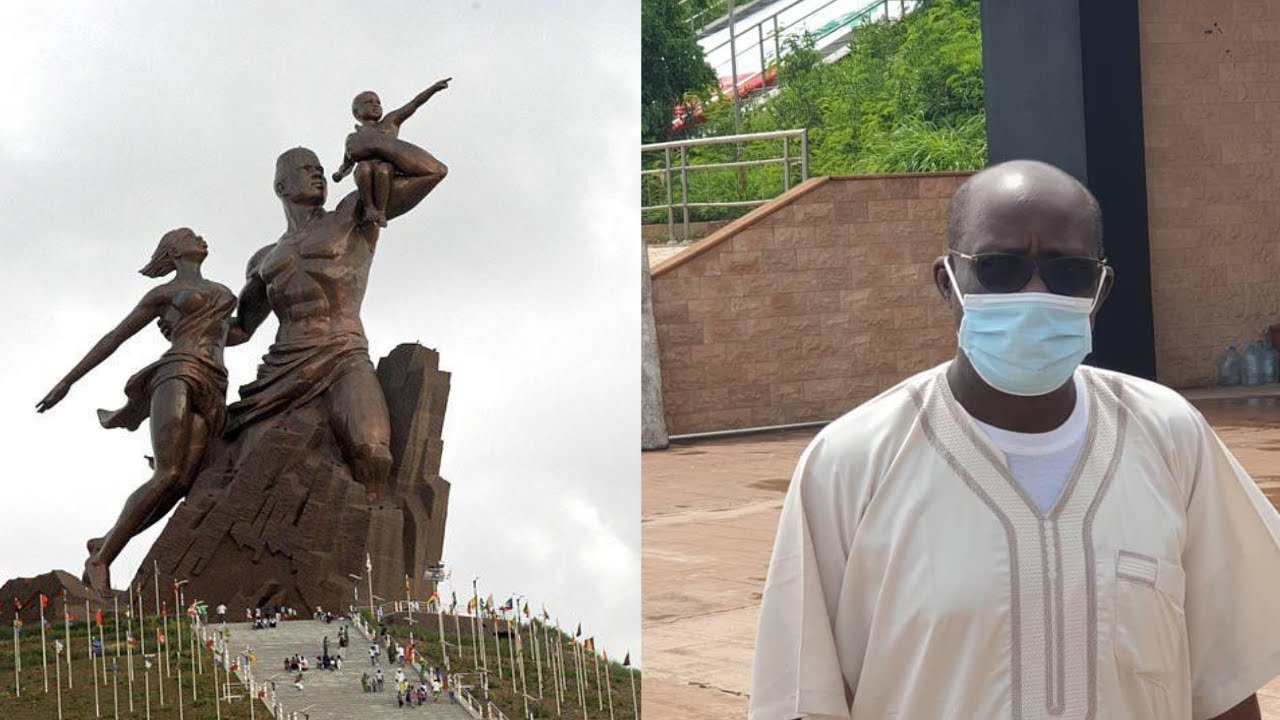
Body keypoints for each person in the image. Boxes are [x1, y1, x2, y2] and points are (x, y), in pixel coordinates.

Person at [748, 160, 1280, 720]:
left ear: (1100, 290)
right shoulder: (850, 463)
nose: (1034, 291)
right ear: (947, 283)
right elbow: (805, 700)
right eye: (999, 267)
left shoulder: (1170, 436)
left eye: (1067, 271)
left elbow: (1223, 684)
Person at [225, 114, 448, 500]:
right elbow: (241, 329)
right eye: (306, 169)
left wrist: (378, 145)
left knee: (373, 453)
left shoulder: (354, 213)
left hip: (343, 353)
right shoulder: (264, 259)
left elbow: (432, 172)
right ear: (281, 185)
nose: (318, 175)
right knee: (247, 470)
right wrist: (190, 324)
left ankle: (368, 552)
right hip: (283, 366)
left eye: (321, 169)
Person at [36, 229, 236, 595]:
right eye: (191, 236)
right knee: (167, 473)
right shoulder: (162, 294)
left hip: (215, 382)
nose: (202, 237)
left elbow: (236, 333)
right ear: (174, 251)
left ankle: (105, 541)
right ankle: (101, 560)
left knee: (180, 484)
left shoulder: (224, 292)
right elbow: (115, 337)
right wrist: (67, 381)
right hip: (177, 372)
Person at [331, 80, 450, 228]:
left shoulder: (390, 121)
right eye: (368, 102)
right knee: (363, 168)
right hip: (365, 170)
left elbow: (414, 104)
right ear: (357, 112)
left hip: (386, 168)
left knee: (384, 170)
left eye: (378, 102)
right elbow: (347, 163)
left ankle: (381, 211)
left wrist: (433, 89)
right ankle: (369, 208)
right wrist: (340, 174)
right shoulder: (353, 137)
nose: (375, 105)